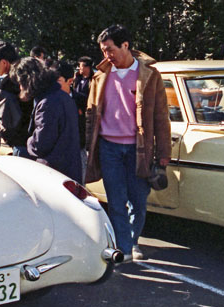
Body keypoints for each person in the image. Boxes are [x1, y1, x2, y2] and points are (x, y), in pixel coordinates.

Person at [85, 24, 171, 262]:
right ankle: (123, 246)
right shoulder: (100, 75)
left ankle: (133, 241)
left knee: (138, 199)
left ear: (125, 45)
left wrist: (164, 154)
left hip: (139, 148)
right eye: (103, 51)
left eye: (110, 49)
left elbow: (161, 117)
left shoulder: (150, 75)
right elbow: (92, 116)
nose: (106, 55)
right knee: (115, 199)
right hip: (108, 147)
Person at [12, 57, 82, 183]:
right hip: (69, 170)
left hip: (53, 173)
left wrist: (28, 142)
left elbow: (41, 144)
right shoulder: (63, 97)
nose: (20, 88)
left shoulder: (47, 103)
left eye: (20, 83)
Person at [0, 40, 33, 157]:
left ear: (4, 63)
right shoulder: (31, 73)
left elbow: (7, 123)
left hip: (21, 144)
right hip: (37, 142)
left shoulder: (8, 84)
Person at [72, 56, 94, 181]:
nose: (80, 69)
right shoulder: (77, 79)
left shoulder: (92, 80)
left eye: (81, 66)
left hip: (86, 112)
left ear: (87, 67)